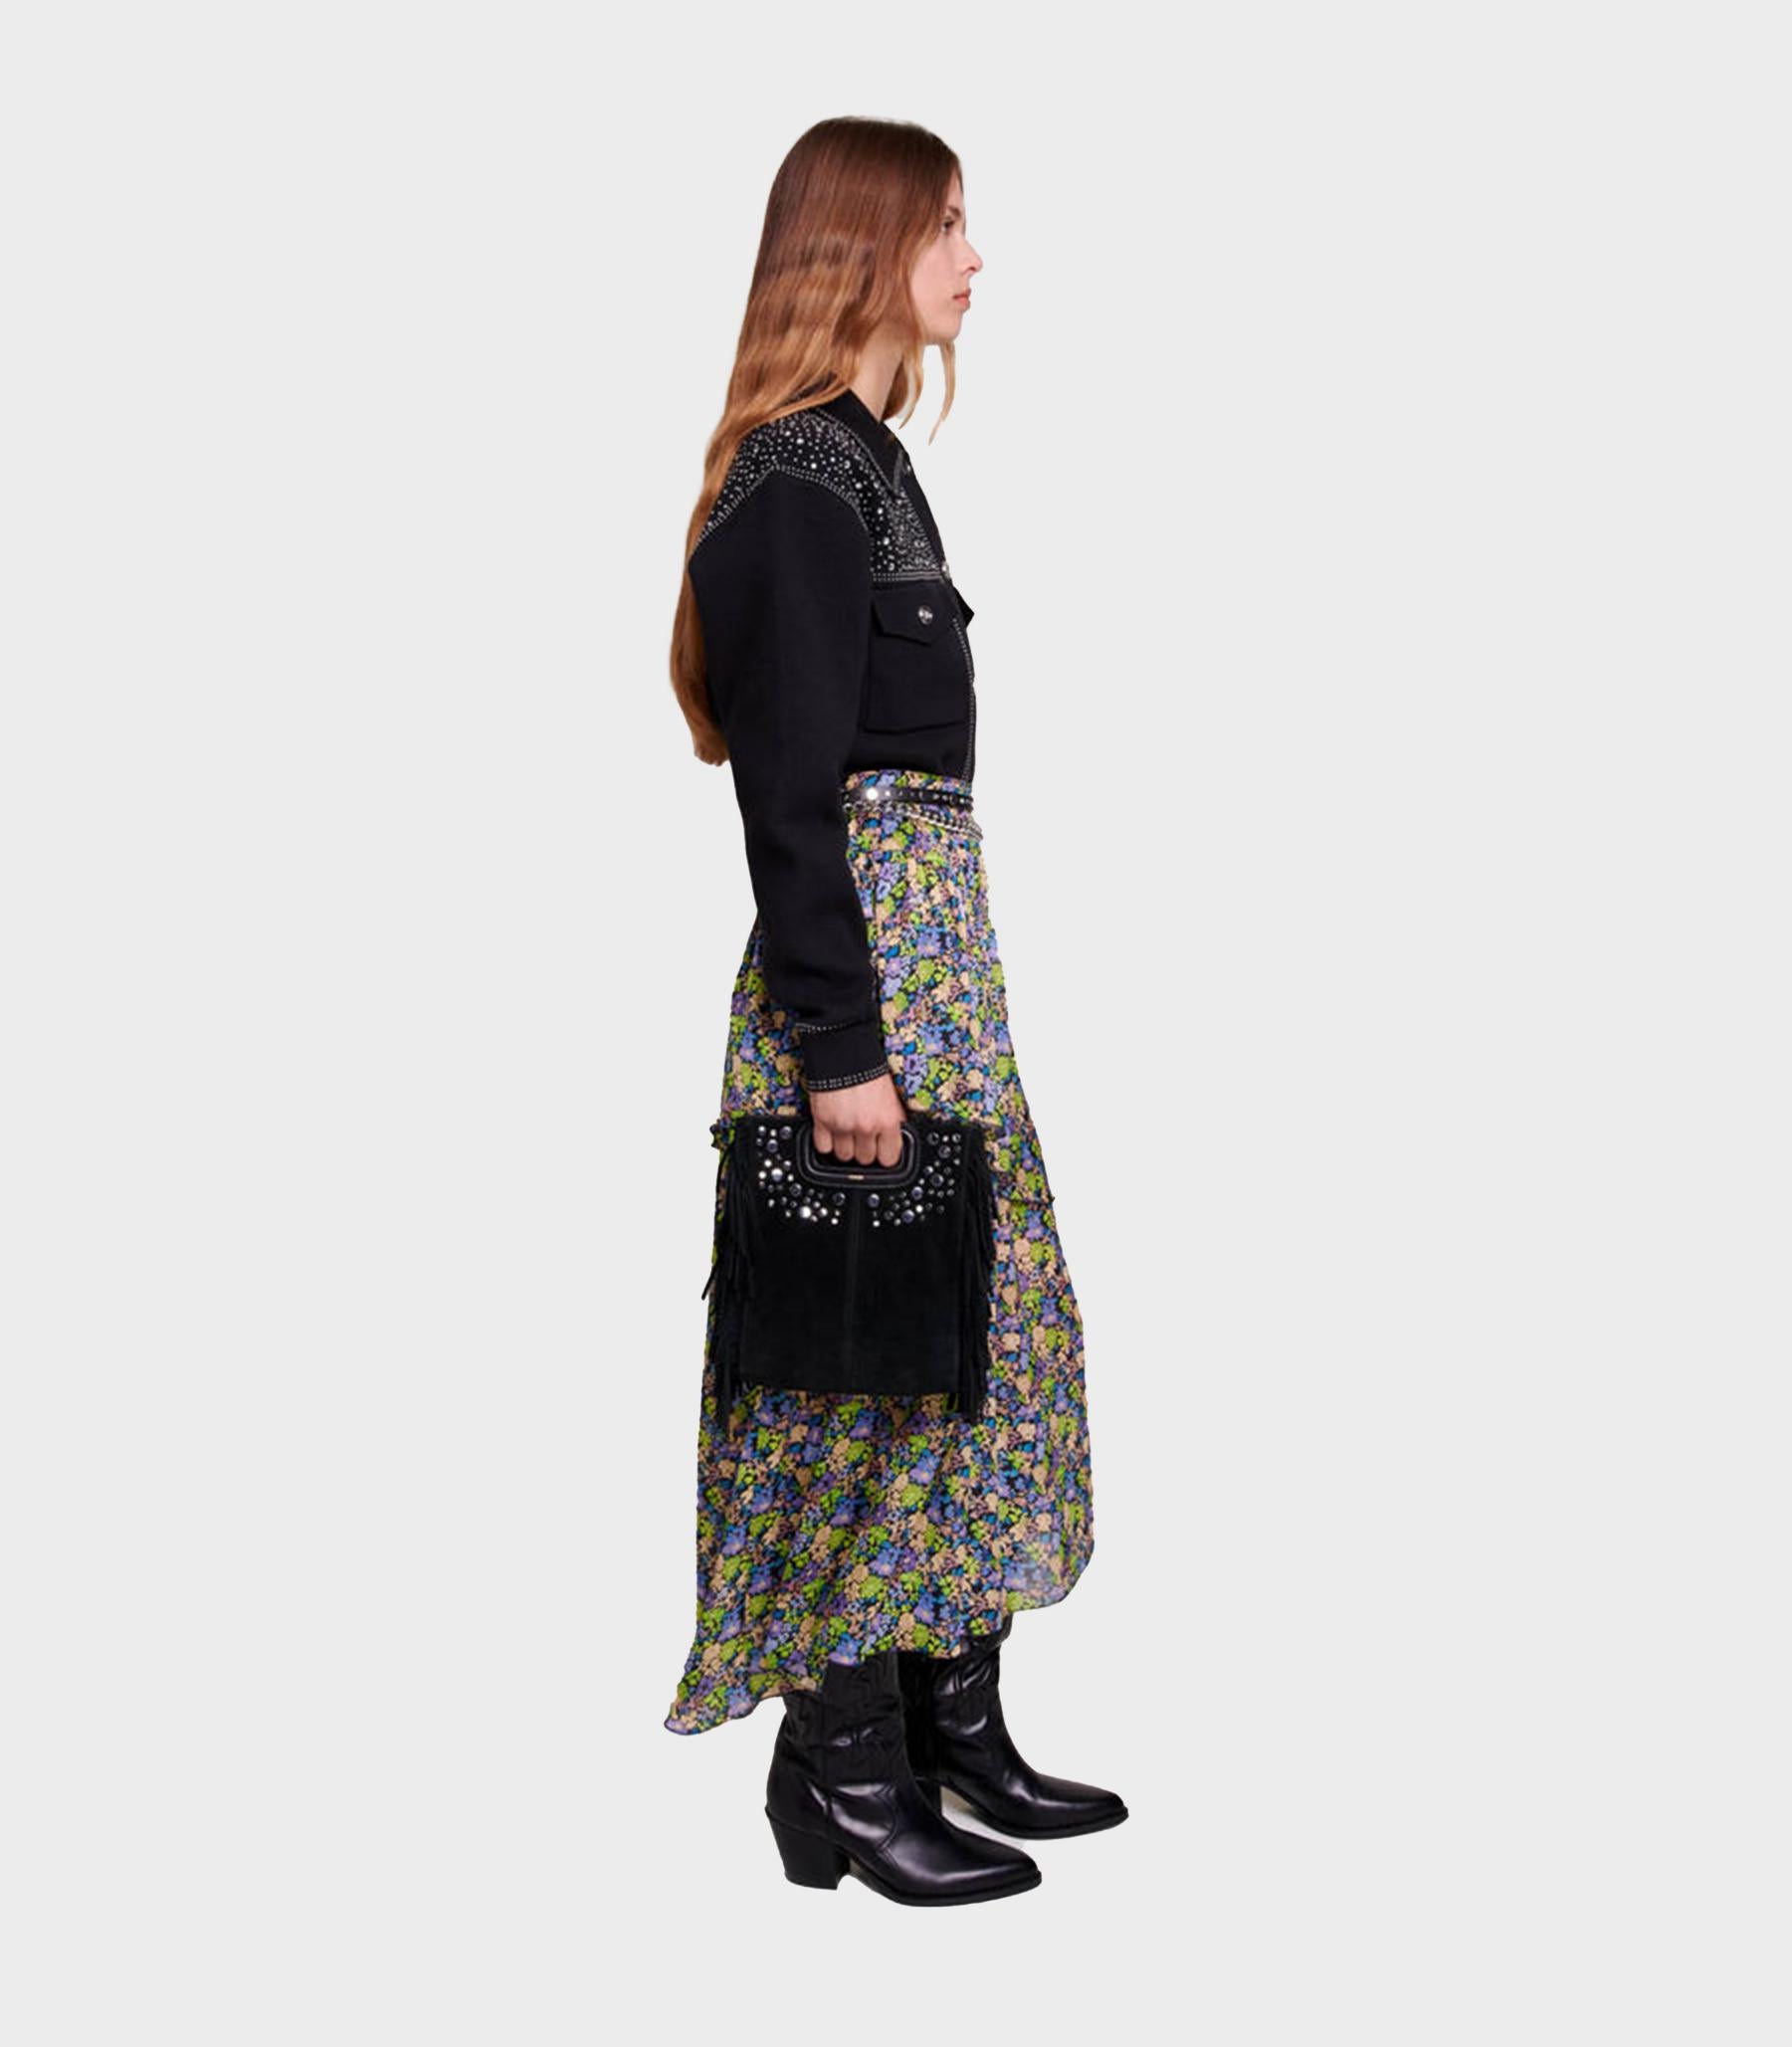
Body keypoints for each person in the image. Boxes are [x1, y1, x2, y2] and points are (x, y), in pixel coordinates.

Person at [663, 116, 1125, 1907]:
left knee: (972, 1344)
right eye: (946, 224)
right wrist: (841, 1048)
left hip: (940, 974)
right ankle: (846, 1768)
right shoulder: (793, 478)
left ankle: (947, 1725)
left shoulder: (866, 465)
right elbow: (789, 803)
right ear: (863, 247)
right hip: (867, 989)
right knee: (853, 1377)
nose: (973, 258)